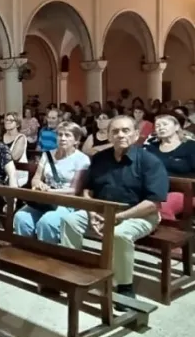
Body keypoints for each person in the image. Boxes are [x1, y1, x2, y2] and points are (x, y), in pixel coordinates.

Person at [59, 115, 168, 301]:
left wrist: (119, 217)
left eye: (126, 130)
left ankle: (124, 286)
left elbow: (153, 203)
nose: (120, 135)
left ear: (136, 135)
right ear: (108, 136)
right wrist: (92, 211)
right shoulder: (100, 158)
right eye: (115, 131)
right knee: (69, 221)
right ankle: (75, 273)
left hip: (140, 214)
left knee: (119, 235)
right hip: (102, 212)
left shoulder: (150, 161)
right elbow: (88, 189)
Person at [13, 122, 90, 242]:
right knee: (21, 217)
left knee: (47, 222)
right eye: (60, 135)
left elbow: (74, 190)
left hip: (66, 202)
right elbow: (36, 178)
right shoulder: (47, 154)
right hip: (45, 200)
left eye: (67, 135)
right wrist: (38, 184)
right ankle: (26, 251)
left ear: (76, 140)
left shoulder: (81, 159)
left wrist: (50, 191)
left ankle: (47, 255)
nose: (62, 138)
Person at [146, 114, 195, 220]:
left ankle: (171, 235)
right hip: (155, 190)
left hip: (185, 192)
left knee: (161, 207)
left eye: (165, 124)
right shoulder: (151, 147)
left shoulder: (191, 146)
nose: (161, 127)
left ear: (177, 127)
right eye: (158, 126)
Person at [1, 112, 29, 186]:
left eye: (11, 120)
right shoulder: (0, 136)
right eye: (6, 120)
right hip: (0, 171)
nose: (7, 122)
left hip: (16, 173)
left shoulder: (21, 138)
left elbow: (14, 157)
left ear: (17, 124)